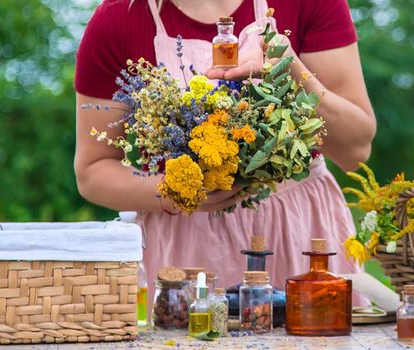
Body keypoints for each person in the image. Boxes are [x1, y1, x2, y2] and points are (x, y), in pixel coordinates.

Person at [73, 0, 376, 306]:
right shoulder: (117, 19)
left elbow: (356, 149)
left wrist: (290, 71)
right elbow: (93, 170)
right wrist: (177, 191)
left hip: (301, 235)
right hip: (186, 250)